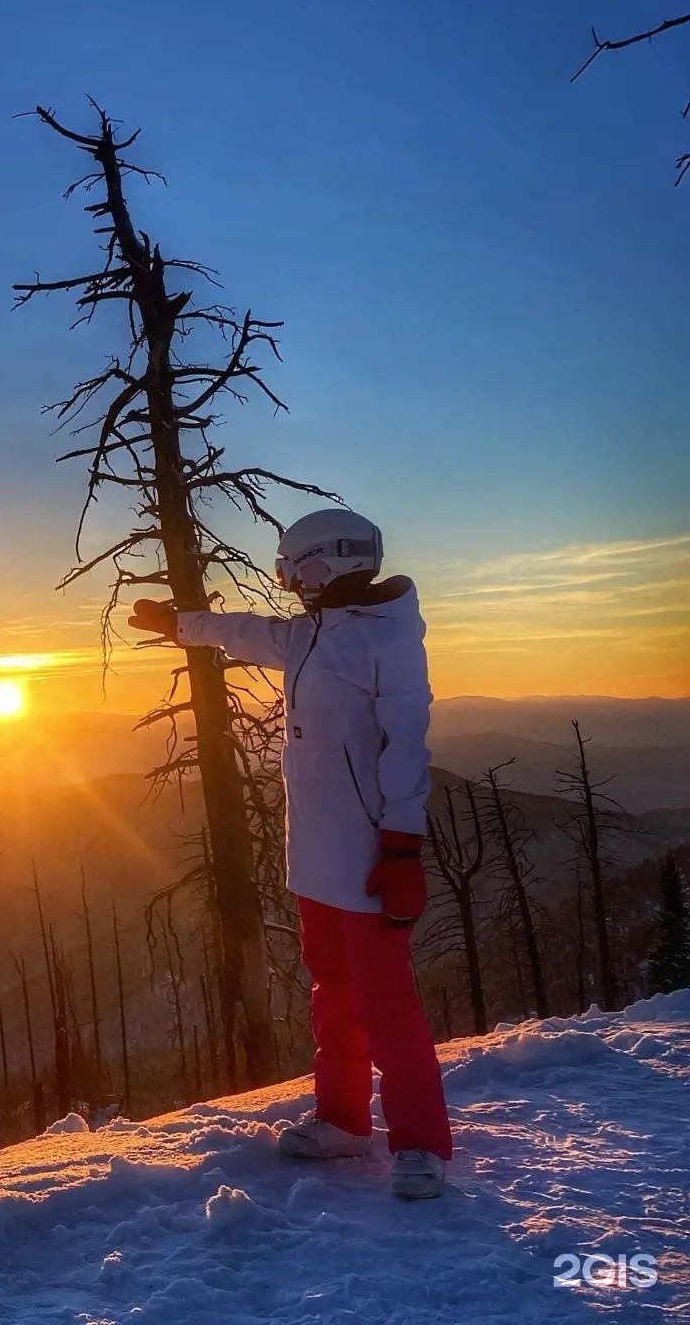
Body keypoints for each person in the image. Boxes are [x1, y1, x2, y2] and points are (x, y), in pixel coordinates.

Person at [128, 508, 452, 1200]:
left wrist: (401, 848)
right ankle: (343, 1121)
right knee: (331, 994)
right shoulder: (310, 636)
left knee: (386, 1002)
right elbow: (246, 631)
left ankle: (421, 1143)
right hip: (314, 854)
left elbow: (406, 747)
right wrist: (180, 624)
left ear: (327, 561)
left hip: (368, 856)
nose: (289, 582)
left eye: (293, 568)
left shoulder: (387, 642)